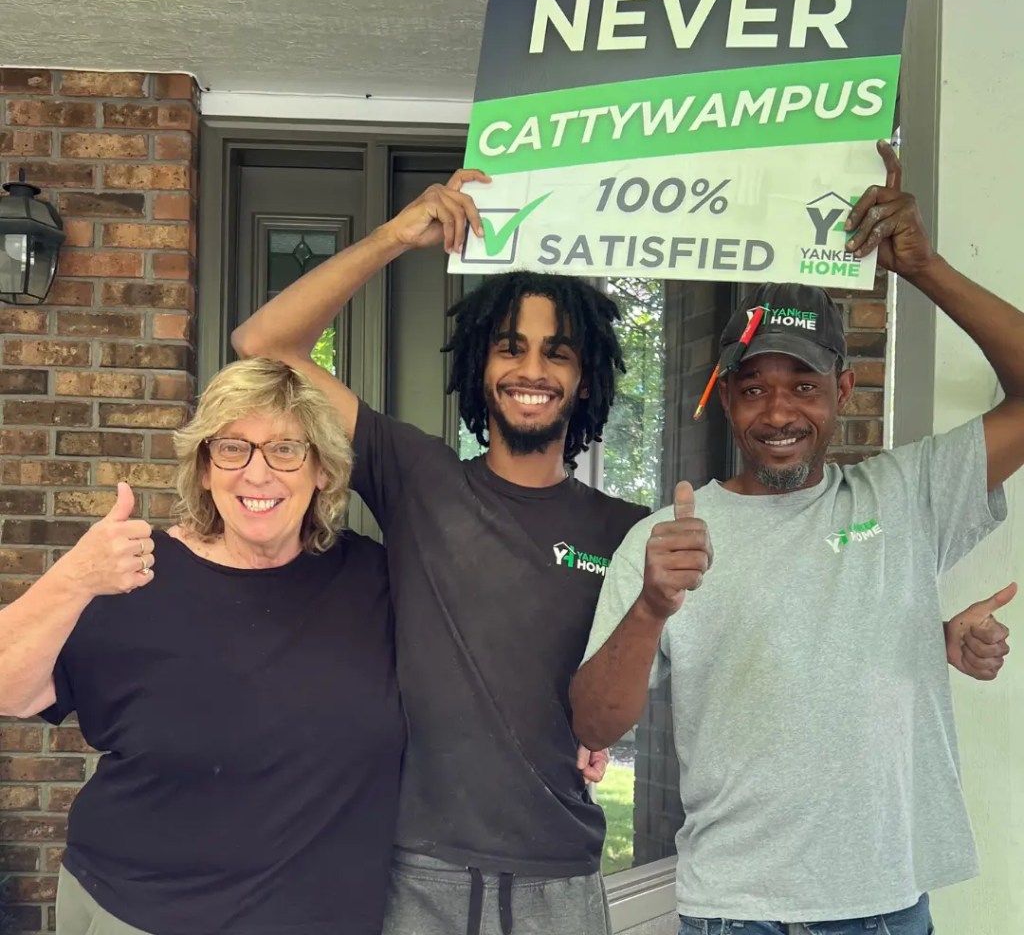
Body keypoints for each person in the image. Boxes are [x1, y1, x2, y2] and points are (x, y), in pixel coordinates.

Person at [570, 140, 1020, 935]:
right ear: (725, 399)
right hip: (735, 915)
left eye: (803, 387)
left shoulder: (907, 497)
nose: (778, 414)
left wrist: (923, 270)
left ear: (842, 390)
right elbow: (595, 726)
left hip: (885, 907)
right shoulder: (664, 541)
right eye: (755, 389)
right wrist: (651, 606)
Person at [232, 170, 649, 935]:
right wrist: (398, 236)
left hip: (560, 873)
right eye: (509, 348)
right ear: (478, 369)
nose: (531, 370)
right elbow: (263, 344)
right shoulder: (416, 475)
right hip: (416, 871)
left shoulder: (628, 532)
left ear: (584, 380)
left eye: (557, 354)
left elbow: (617, 703)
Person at [0, 358, 402, 935]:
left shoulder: (375, 581)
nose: (257, 474)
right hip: (143, 915)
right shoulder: (135, 575)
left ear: (321, 470)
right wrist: (73, 578)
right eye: (232, 449)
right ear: (206, 470)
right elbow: (11, 690)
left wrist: (565, 728)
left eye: (286, 449)